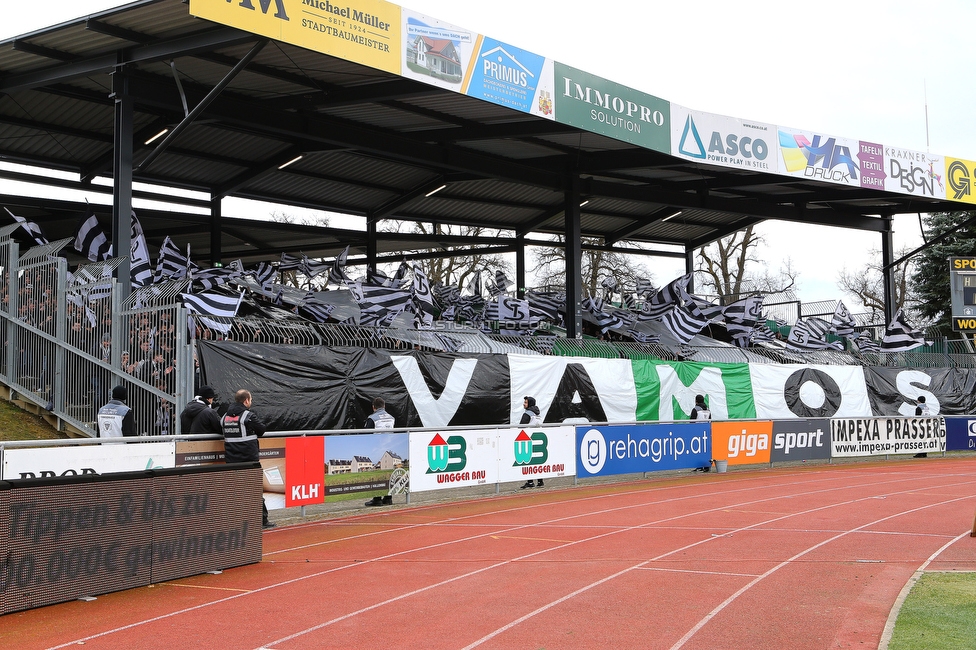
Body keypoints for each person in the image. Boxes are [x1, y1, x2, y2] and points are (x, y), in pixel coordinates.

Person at [221, 389, 275, 529]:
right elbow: (261, 430)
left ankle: (236, 521)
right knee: (255, 491)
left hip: (231, 461)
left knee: (236, 492)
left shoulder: (224, 417)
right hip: (249, 460)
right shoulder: (248, 416)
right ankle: (262, 521)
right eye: (250, 400)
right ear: (246, 401)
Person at [520, 396, 544, 489]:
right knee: (537, 461)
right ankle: (540, 481)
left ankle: (530, 482)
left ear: (529, 404)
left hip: (528, 439)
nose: (524, 404)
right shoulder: (537, 413)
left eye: (525, 402)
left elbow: (521, 427)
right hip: (538, 438)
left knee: (528, 461)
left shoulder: (527, 414)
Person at [690, 395, 712, 472]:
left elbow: (692, 421)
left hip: (696, 432)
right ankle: (706, 466)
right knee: (705, 449)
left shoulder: (695, 409)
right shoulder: (708, 410)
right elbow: (710, 421)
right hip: (706, 432)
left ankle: (699, 466)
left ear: (696, 401)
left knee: (697, 450)